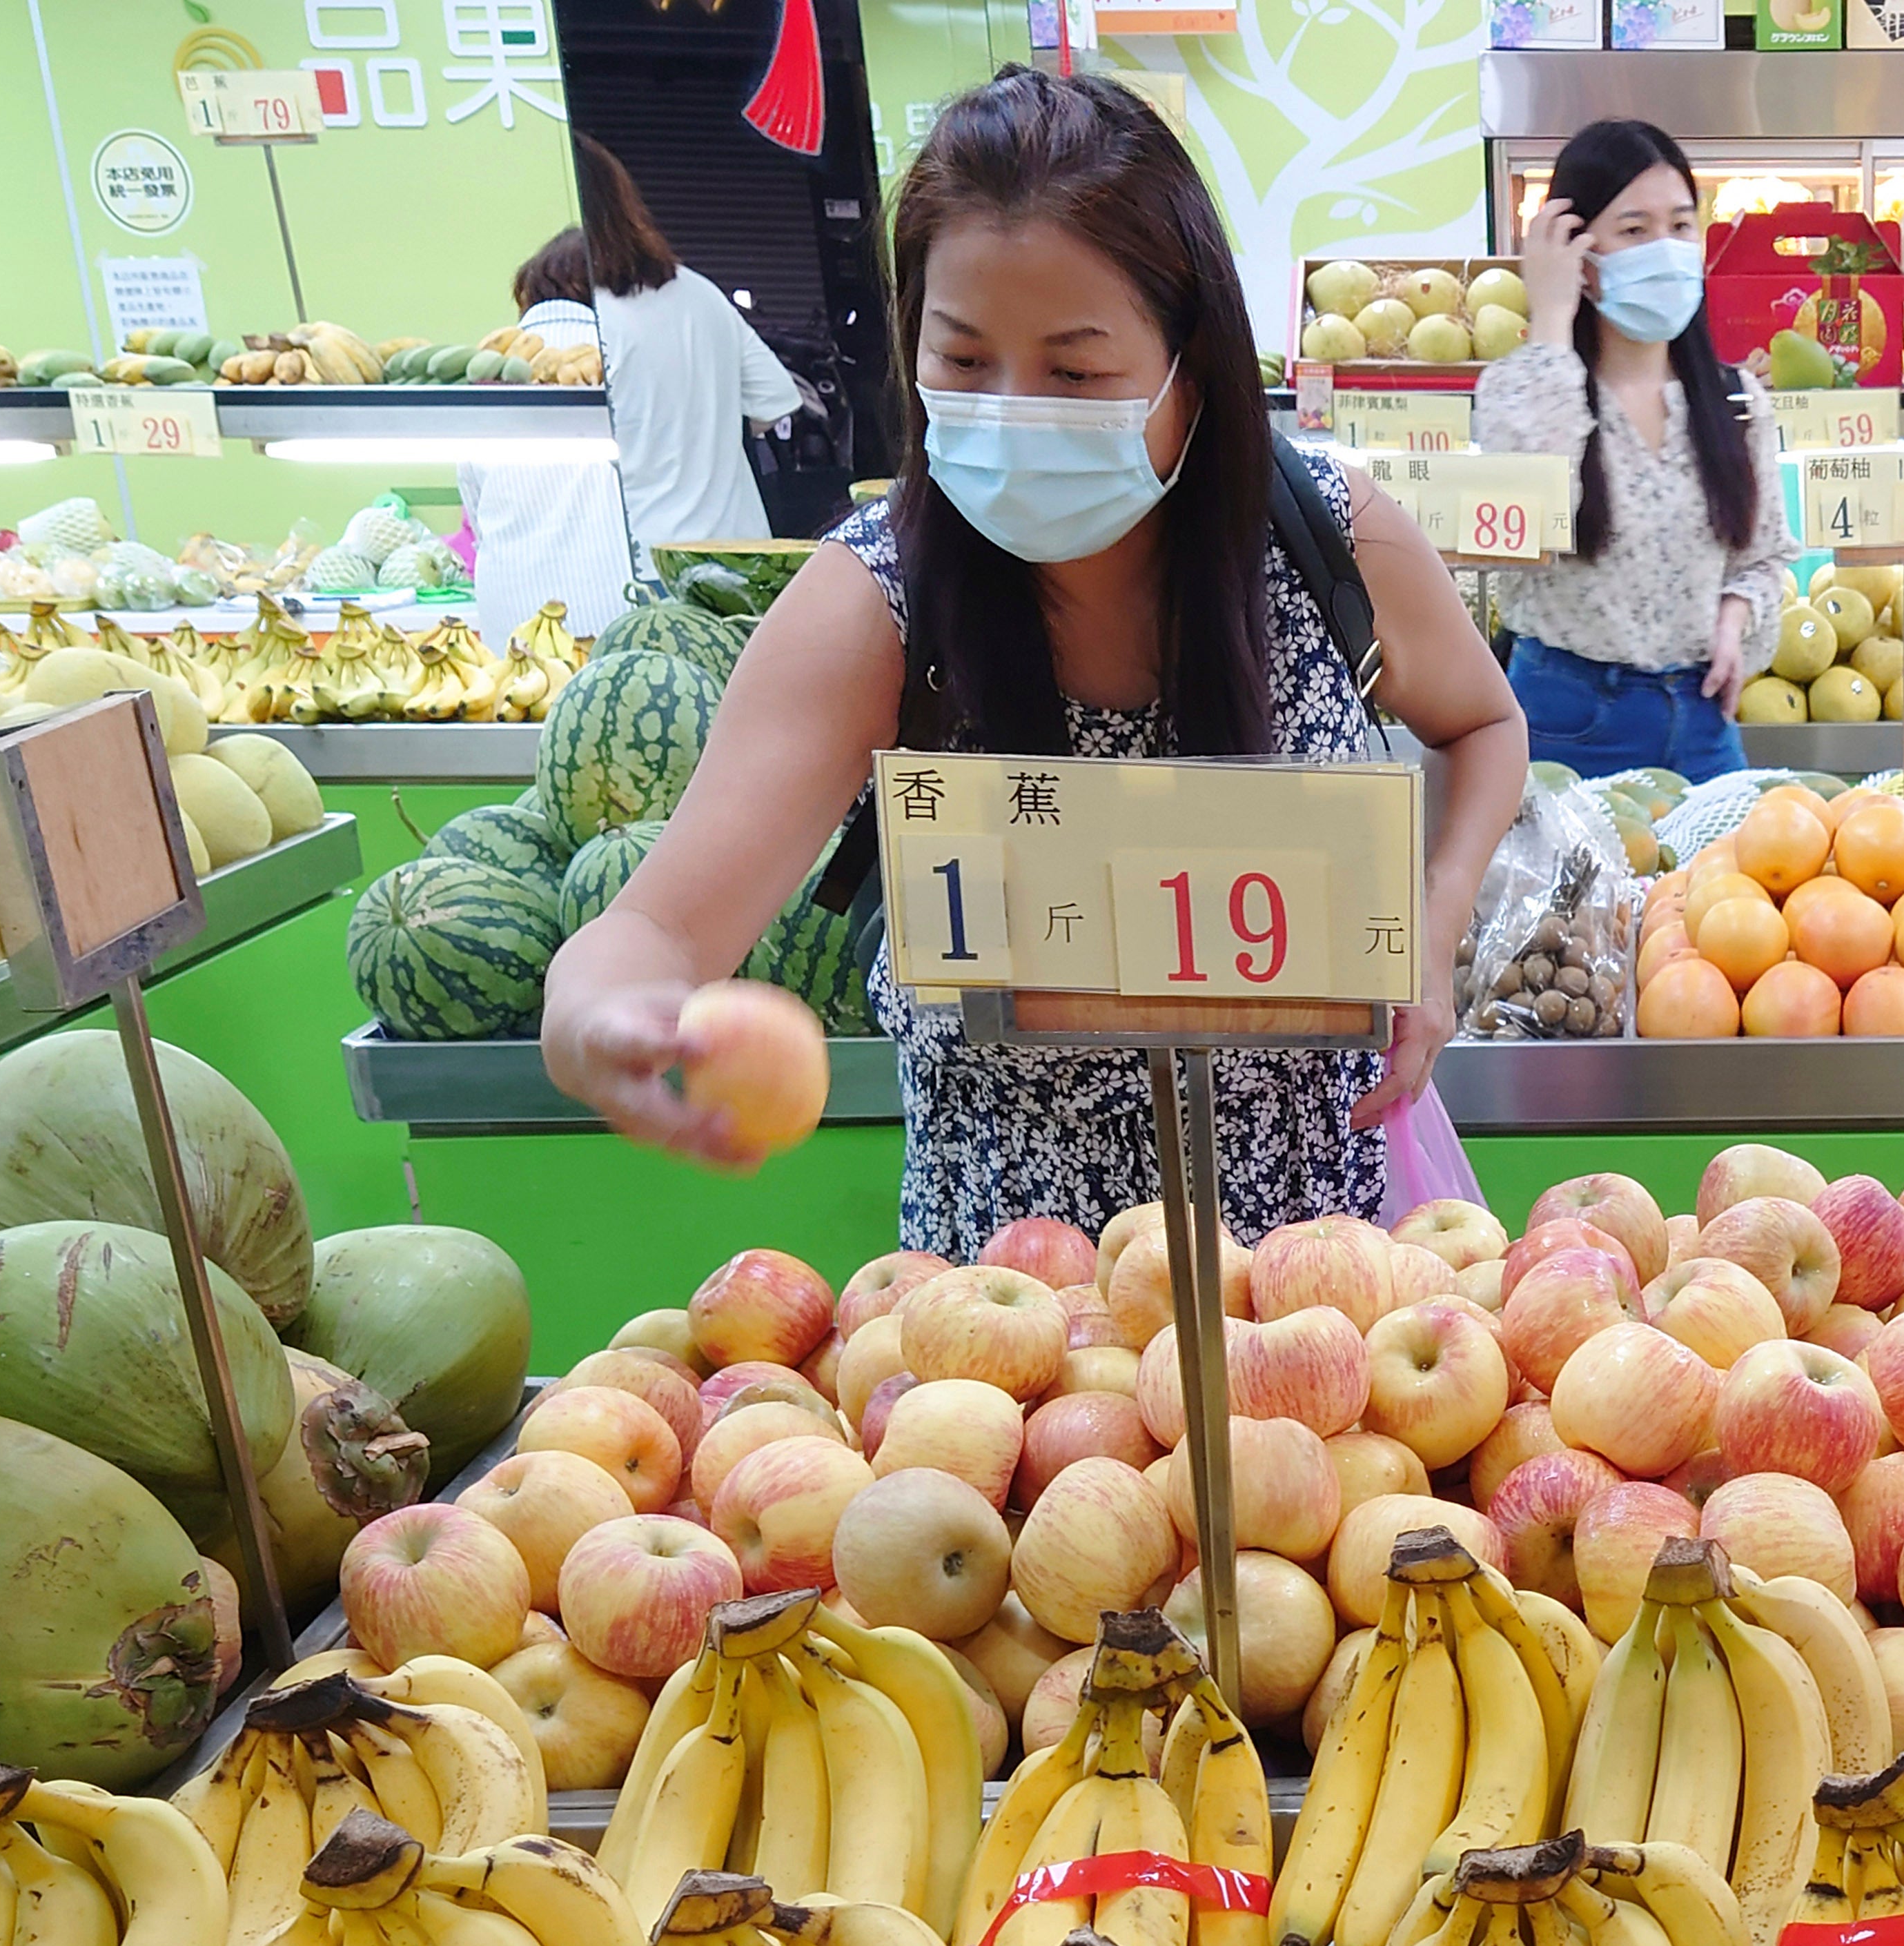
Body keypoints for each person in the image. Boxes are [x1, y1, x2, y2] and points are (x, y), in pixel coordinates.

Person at [537, 67, 1525, 1252]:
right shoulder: (875, 607)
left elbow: (1485, 725)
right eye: (961, 361)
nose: (1010, 411)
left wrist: (1433, 912)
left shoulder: (1327, 541)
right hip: (1008, 1352)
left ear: (1189, 367)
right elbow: (652, 932)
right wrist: (608, 1023)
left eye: (1074, 372)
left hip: (1321, 1301)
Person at [1476, 119, 1788, 777]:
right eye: (1634, 230)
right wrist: (1553, 319)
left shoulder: (1735, 403)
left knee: (1721, 883)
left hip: (1703, 716)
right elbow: (1536, 517)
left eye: (1680, 226)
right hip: (1565, 717)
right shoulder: (1519, 389)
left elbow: (1761, 558)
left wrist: (1734, 620)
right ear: (1578, 251)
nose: (1666, 250)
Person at [575, 133, 808, 556]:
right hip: (738, 554)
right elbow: (776, 400)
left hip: (644, 563)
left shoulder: (579, 320)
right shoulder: (699, 292)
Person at [456, 231, 636, 633]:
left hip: (513, 625)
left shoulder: (488, 372)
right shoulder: (630, 357)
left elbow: (476, 515)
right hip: (623, 619)